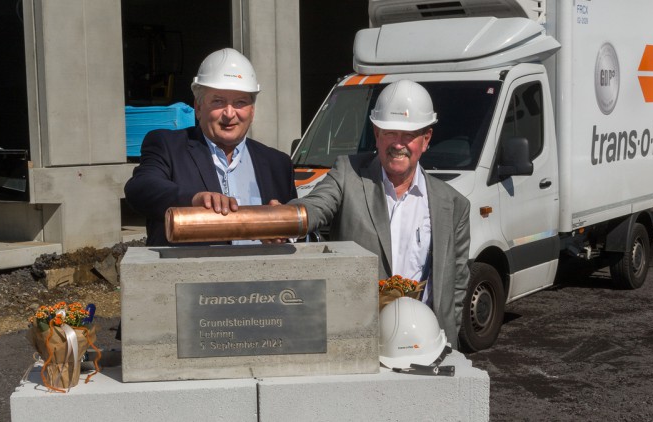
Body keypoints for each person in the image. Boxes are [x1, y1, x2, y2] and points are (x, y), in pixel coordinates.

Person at [291, 80, 471, 348]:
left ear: (426, 139)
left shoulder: (454, 205)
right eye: (390, 133)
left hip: (425, 345)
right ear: (376, 133)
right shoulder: (348, 174)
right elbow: (316, 205)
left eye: (409, 135)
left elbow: (456, 284)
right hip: (357, 340)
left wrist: (445, 340)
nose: (398, 144)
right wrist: (287, 218)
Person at [124, 48, 297, 246]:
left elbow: (296, 236)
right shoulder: (168, 146)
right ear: (198, 107)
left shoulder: (278, 163)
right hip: (189, 274)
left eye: (240, 102)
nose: (229, 113)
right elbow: (140, 189)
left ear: (252, 110)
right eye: (218, 101)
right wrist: (194, 200)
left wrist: (283, 231)